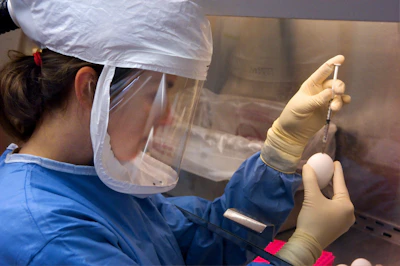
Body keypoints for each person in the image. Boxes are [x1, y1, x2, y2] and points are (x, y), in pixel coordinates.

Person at [0, 0, 355, 265]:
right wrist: (302, 248)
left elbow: (205, 240)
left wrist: (281, 148)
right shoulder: (46, 233)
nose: (167, 118)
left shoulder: (98, 178)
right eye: (158, 93)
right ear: (91, 89)